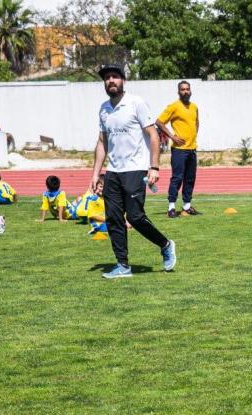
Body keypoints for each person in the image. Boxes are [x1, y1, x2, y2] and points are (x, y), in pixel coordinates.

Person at [91, 62, 176, 279]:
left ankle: (165, 244)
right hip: (113, 172)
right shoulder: (103, 109)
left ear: (123, 81)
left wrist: (154, 166)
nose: (111, 80)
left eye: (114, 77)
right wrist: (95, 173)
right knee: (113, 218)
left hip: (136, 169)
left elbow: (153, 135)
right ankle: (123, 265)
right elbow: (102, 143)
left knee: (136, 217)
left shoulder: (136, 103)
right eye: (107, 77)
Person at [156, 80, 200, 218]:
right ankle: (171, 207)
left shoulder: (194, 107)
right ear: (178, 92)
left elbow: (196, 123)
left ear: (190, 91)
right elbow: (159, 122)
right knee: (177, 178)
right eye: (183, 89)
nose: (186, 91)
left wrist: (193, 138)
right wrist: (172, 137)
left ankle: (186, 206)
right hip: (179, 150)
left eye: (187, 89)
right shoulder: (174, 106)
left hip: (192, 149)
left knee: (190, 178)